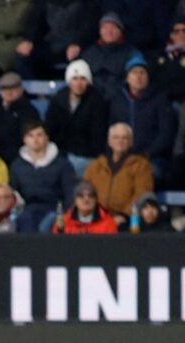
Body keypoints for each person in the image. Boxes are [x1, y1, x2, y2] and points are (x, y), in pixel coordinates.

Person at [108, 53, 176, 182]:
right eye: (134, 73)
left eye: (142, 73)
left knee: (146, 174)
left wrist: (146, 154)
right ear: (127, 77)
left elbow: (166, 134)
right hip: (122, 156)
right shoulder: (117, 101)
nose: (138, 77)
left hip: (153, 158)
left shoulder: (160, 100)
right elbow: (110, 130)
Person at [8, 121, 76, 232]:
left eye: (39, 135)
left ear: (46, 138)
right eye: (30, 135)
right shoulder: (17, 165)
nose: (35, 140)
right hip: (26, 210)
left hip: (53, 210)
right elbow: (13, 193)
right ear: (25, 140)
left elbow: (70, 193)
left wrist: (65, 215)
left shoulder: (62, 164)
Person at [45, 59, 108, 177]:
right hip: (60, 152)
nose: (78, 83)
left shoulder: (97, 101)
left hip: (85, 154)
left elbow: (98, 135)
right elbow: (50, 128)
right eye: (75, 78)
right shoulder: (59, 98)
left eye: (83, 79)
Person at [83, 123, 155, 225]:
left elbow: (142, 193)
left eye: (124, 138)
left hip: (125, 220)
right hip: (95, 218)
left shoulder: (141, 165)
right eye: (116, 137)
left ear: (130, 142)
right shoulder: (95, 165)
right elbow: (84, 191)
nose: (120, 141)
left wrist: (123, 215)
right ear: (109, 141)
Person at [15, 0, 98, 80]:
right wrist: (29, 39)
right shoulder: (44, 2)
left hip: (79, 45)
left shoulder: (87, 2)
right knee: (23, 57)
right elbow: (36, 20)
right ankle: (34, 92)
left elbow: (91, 25)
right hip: (51, 44)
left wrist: (79, 44)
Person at [81, 12, 142, 100]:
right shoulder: (89, 53)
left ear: (120, 30)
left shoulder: (131, 53)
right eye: (105, 28)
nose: (109, 31)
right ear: (100, 31)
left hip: (121, 99)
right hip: (93, 100)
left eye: (113, 27)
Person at [0, 72, 40, 164]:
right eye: (4, 89)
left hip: (18, 158)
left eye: (13, 88)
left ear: (21, 89)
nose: (8, 92)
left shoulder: (29, 110)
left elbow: (27, 137)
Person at [53, 181, 117, 233]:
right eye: (81, 196)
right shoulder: (64, 221)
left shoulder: (108, 222)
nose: (86, 199)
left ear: (96, 200)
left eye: (91, 195)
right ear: (75, 201)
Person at [150, 16, 185, 105]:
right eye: (176, 31)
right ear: (171, 35)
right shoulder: (159, 55)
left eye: (184, 31)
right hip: (161, 101)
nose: (181, 34)